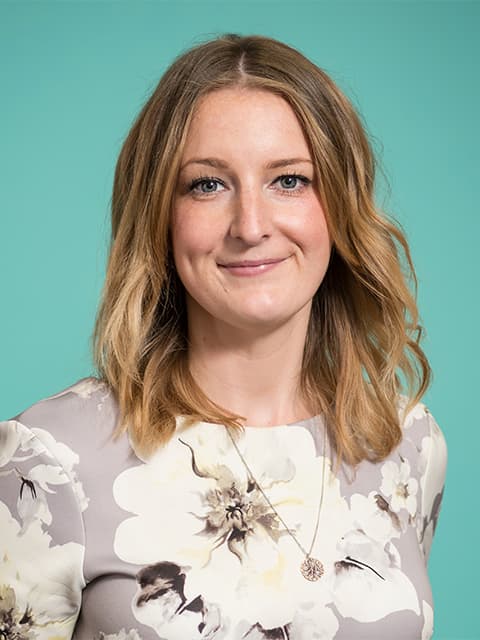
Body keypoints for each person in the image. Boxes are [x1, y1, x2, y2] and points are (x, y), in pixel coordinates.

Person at [0, 33, 447, 640]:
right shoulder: (49, 459)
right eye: (207, 184)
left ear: (339, 206)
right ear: (159, 214)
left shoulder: (406, 443)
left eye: (289, 180)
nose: (251, 226)